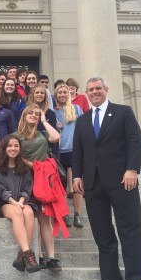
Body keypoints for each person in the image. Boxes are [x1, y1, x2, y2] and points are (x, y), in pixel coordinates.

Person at [73, 77, 141, 280]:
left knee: (129, 228)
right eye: (90, 90)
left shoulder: (123, 112)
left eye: (98, 88)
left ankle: (134, 277)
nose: (94, 92)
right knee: (102, 232)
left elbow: (135, 141)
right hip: (93, 184)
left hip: (123, 181)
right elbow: (78, 151)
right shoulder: (83, 120)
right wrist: (77, 176)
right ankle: (111, 277)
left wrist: (132, 169)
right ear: (86, 93)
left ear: (106, 89)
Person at [15, 104, 62, 271]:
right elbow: (14, 156)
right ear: (24, 115)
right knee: (31, 217)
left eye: (37, 114)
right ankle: (39, 255)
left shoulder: (42, 134)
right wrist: (33, 165)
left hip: (43, 181)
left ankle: (51, 257)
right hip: (25, 179)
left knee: (44, 219)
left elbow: (56, 137)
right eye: (31, 113)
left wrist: (44, 120)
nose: (34, 115)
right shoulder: (16, 136)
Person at [0, 135, 40, 273]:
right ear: (4, 148)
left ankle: (22, 256)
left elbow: (27, 187)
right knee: (17, 212)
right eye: (10, 146)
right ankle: (28, 254)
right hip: (5, 203)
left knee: (28, 212)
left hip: (21, 201)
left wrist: (21, 201)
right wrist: (13, 202)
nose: (13, 148)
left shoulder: (23, 167)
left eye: (16, 146)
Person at [54, 83, 83, 228]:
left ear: (69, 94)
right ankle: (65, 215)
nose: (62, 95)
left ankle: (77, 215)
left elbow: (83, 128)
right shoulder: (53, 111)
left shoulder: (76, 109)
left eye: (65, 92)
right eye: (60, 93)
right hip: (59, 152)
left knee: (78, 185)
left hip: (75, 150)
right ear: (56, 95)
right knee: (61, 185)